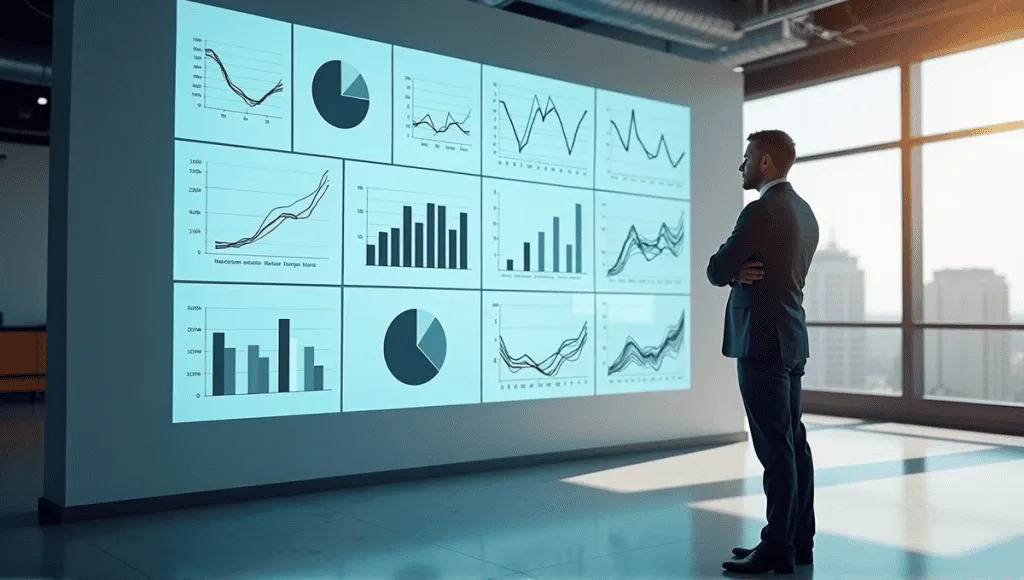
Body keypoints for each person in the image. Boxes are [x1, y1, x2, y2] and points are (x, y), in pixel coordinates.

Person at [706, 129, 819, 575]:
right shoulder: (804, 212)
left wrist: (735, 274)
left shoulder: (759, 211)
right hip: (791, 338)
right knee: (793, 443)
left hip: (761, 341)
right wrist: (744, 273)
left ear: (767, 162)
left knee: (776, 449)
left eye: (748, 157)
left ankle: (776, 550)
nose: (743, 165)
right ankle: (797, 541)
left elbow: (717, 269)